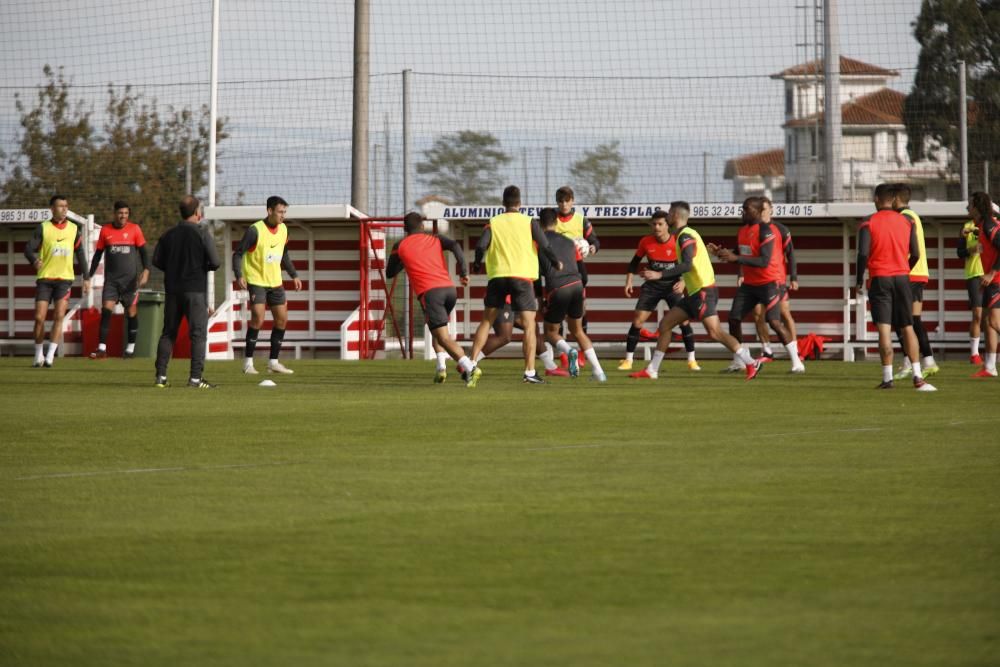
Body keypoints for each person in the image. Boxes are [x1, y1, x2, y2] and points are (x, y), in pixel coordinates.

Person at [630, 201, 762, 380]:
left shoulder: (685, 236)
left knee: (715, 332)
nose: (667, 216)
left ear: (675, 216)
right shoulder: (685, 235)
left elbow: (686, 265)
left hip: (703, 292)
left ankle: (750, 361)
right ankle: (652, 370)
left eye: (669, 213)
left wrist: (659, 274)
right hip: (694, 293)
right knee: (665, 324)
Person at [469, 185, 561, 385]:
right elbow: (545, 246)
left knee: (486, 321)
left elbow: (480, 246)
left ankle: (471, 365)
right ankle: (529, 372)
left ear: (503, 204)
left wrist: (477, 264)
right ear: (520, 203)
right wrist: (555, 263)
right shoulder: (529, 222)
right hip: (522, 278)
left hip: (498, 277)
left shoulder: (493, 222)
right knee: (529, 326)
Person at [711, 197, 805, 374]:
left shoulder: (766, 231)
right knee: (733, 319)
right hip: (749, 285)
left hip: (769, 283)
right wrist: (722, 252)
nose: (743, 212)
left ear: (757, 211)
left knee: (774, 321)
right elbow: (739, 253)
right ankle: (739, 361)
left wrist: (735, 258)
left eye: (746, 209)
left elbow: (764, 260)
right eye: (742, 209)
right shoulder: (742, 231)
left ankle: (797, 362)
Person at [855, 184, 935, 391]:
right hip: (902, 278)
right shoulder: (907, 221)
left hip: (880, 278)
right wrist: (904, 269)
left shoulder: (868, 223)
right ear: (893, 199)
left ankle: (887, 378)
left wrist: (858, 280)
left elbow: (863, 254)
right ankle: (918, 376)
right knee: (907, 326)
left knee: (884, 329)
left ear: (875, 199)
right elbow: (916, 253)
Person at [385, 212, 476, 383]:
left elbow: (389, 273)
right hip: (449, 290)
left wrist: (405, 260)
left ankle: (470, 367)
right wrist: (464, 272)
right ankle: (441, 368)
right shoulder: (436, 239)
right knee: (437, 330)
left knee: (443, 336)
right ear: (422, 226)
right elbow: (455, 246)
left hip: (431, 293)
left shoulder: (400, 245)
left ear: (405, 228)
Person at [152, 195, 221, 388]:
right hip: (195, 291)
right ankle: (195, 379)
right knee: (198, 335)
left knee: (168, 333)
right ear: (197, 212)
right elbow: (215, 262)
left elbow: (156, 260)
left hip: (173, 290)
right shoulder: (202, 233)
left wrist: (173, 267)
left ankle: (161, 377)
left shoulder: (168, 235)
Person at [620, 210, 699, 372]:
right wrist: (629, 281)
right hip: (652, 286)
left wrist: (683, 282)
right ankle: (628, 360)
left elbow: (689, 265)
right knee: (637, 322)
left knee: (684, 322)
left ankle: (692, 359)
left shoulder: (677, 241)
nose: (656, 227)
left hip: (673, 286)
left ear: (667, 226)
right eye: (654, 224)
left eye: (660, 224)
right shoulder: (645, 242)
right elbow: (633, 263)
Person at [232, 196, 302, 375]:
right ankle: (248, 363)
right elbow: (238, 254)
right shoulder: (255, 230)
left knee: (282, 319)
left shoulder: (284, 229)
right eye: (280, 212)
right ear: (269, 211)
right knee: (258, 318)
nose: (283, 216)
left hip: (276, 283)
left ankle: (273, 363)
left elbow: (284, 254)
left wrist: (294, 275)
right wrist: (239, 275)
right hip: (256, 281)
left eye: (285, 212)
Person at [537, 207, 607, 381]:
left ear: (539, 224)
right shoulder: (570, 242)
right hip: (577, 286)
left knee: (550, 332)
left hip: (558, 288)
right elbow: (583, 274)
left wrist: (539, 299)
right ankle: (599, 372)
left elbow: (536, 277)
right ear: (556, 222)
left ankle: (570, 352)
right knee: (578, 331)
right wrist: (581, 294)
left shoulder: (538, 243)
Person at [24, 195, 90, 367]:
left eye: (66, 206)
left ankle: (50, 356)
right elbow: (28, 249)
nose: (64, 209)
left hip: (64, 280)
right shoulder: (43, 228)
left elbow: (81, 254)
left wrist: (87, 277)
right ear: (52, 209)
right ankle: (38, 355)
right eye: (60, 206)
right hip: (45, 279)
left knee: (59, 316)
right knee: (39, 318)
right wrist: (34, 260)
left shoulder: (74, 229)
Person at [87, 201, 150, 359]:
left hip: (130, 282)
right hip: (112, 281)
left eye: (126, 213)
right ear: (114, 213)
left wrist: (147, 270)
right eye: (120, 213)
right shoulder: (105, 230)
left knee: (131, 313)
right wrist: (88, 277)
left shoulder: (135, 229)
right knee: (106, 310)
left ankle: (130, 349)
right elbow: (97, 256)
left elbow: (144, 253)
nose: (123, 216)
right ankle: (102, 349)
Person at [892, 183, 940, 379]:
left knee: (900, 320)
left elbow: (905, 247)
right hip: (919, 273)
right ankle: (928, 361)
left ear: (895, 198)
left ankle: (909, 362)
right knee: (913, 320)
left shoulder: (904, 218)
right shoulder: (913, 216)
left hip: (910, 273)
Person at [752, 201, 799, 363]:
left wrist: (793, 277)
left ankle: (795, 350)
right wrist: (741, 273)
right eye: (759, 209)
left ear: (771, 210)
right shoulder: (753, 229)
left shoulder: (781, 229)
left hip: (777, 280)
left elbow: (791, 254)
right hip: (757, 281)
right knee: (758, 313)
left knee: (784, 314)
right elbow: (746, 252)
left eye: (764, 209)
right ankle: (767, 350)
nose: (762, 212)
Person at [554, 186, 600, 340]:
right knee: (557, 312)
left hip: (576, 271)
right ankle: (561, 353)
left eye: (567, 201)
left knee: (581, 310)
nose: (564, 205)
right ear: (557, 203)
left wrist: (592, 247)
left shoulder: (581, 220)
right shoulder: (552, 220)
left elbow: (594, 240)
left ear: (572, 201)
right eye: (561, 202)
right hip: (557, 271)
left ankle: (581, 352)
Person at [967, 191, 1000, 378]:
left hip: (997, 279)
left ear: (977, 208)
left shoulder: (988, 224)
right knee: (988, 322)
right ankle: (990, 366)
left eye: (970, 205)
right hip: (990, 280)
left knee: (995, 321)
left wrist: (992, 272)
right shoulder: (981, 226)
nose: (967, 208)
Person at [957, 212, 985, 365]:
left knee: (992, 318)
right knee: (978, 315)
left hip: (991, 274)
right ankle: (974, 354)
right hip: (974, 274)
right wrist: (970, 250)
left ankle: (992, 355)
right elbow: (959, 253)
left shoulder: (993, 225)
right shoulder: (966, 226)